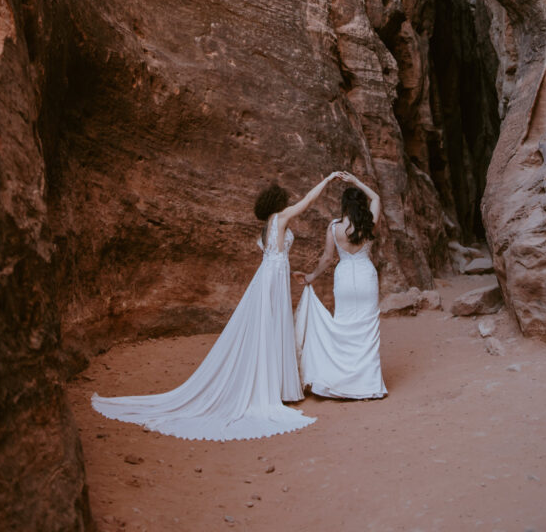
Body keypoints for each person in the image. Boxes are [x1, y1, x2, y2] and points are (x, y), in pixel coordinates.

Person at [91, 171, 344, 441]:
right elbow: (306, 201)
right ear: (279, 203)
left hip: (271, 274)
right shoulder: (280, 218)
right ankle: (270, 391)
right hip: (273, 277)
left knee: (267, 327)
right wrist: (327, 180)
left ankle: (272, 387)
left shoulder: (266, 226)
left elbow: (272, 253)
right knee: (272, 326)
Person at [293, 172, 387, 400]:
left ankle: (343, 382)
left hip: (344, 277)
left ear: (344, 205)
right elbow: (376, 198)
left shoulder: (334, 227)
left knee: (344, 328)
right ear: (362, 204)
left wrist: (311, 276)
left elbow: (327, 259)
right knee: (367, 330)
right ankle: (368, 385)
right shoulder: (369, 224)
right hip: (365, 275)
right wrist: (355, 181)